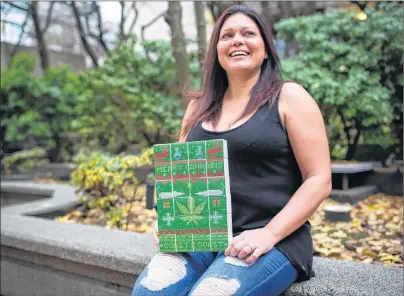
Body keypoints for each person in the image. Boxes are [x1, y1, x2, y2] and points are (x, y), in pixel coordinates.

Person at [132, 5, 331, 296]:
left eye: (248, 33)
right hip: (201, 237)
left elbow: (319, 179)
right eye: (227, 35)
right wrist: (168, 223)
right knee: (149, 291)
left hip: (274, 239)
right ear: (217, 52)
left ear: (266, 50)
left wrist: (269, 234)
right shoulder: (198, 107)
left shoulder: (290, 97)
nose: (237, 40)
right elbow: (183, 179)